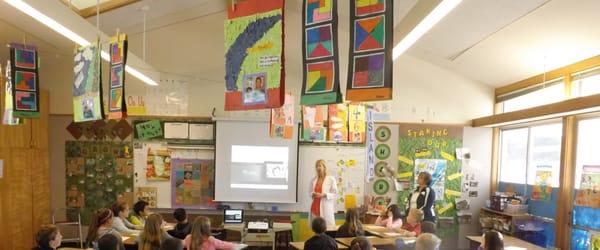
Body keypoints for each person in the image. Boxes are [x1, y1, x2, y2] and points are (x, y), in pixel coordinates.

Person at [310, 160, 338, 227]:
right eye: (316, 166)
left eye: (320, 165)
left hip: (326, 208)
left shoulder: (331, 179)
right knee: (317, 229)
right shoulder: (314, 180)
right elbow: (311, 192)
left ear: (324, 167)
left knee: (328, 228)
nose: (318, 168)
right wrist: (313, 194)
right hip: (315, 208)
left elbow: (335, 194)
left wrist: (324, 194)